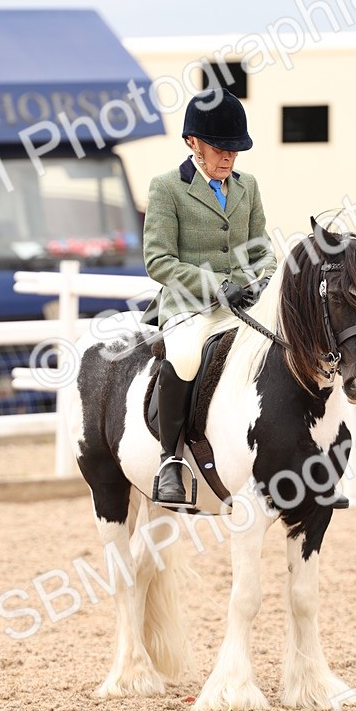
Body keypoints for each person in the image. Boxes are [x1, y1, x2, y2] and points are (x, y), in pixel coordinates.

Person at [143, 87, 277, 506]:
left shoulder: (247, 187)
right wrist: (214, 287)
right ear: (192, 143)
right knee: (184, 358)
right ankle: (170, 461)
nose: (228, 159)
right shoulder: (167, 188)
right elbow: (158, 260)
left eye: (235, 152)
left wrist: (261, 280)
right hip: (190, 308)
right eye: (220, 149)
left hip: (243, 306)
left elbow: (262, 251)